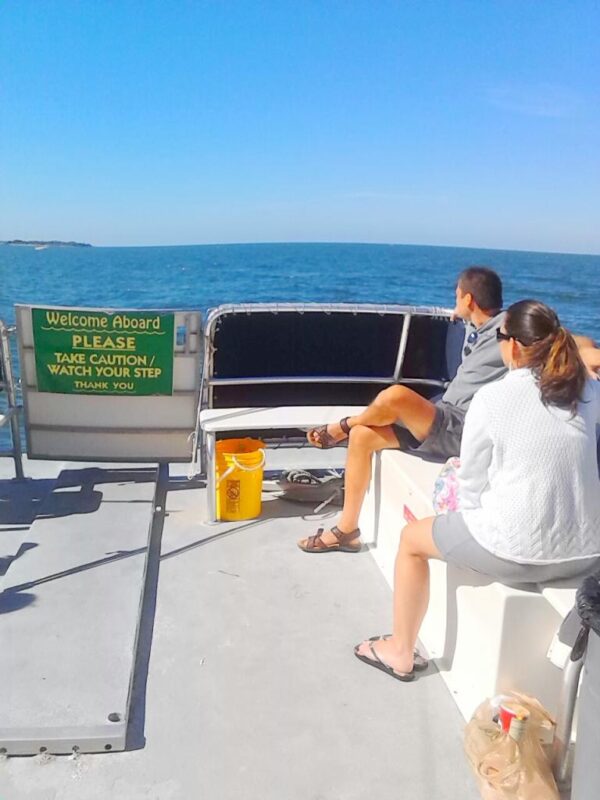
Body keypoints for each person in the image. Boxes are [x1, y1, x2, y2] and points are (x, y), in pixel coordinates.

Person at [354, 299, 600, 681]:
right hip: (588, 555)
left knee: (411, 541)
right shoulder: (589, 392)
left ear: (513, 346)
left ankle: (400, 651)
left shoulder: (493, 398)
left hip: (519, 553)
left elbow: (470, 486)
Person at [298, 266, 506, 553]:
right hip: (444, 419)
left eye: (457, 296)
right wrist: (462, 316)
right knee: (362, 436)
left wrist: (589, 355)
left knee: (396, 396)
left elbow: (566, 340)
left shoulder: (506, 328)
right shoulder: (479, 327)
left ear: (469, 299)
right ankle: (347, 530)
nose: (454, 301)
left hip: (462, 429)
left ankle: (340, 427)